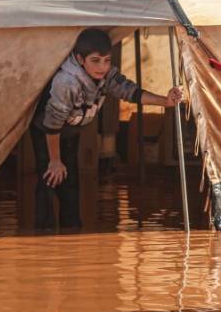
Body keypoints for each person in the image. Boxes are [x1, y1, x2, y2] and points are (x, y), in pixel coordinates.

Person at [30, 28, 183, 230]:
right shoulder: (66, 82)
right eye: (95, 60)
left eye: (106, 60)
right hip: (48, 134)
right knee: (49, 181)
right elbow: (52, 124)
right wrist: (55, 161)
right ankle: (43, 239)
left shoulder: (106, 75)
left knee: (71, 186)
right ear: (80, 59)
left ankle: (70, 236)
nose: (102, 66)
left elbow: (130, 92)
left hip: (71, 131)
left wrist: (165, 101)